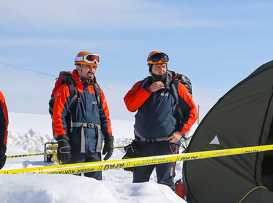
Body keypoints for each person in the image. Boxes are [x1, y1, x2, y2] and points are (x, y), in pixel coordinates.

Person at [124, 51, 197, 189]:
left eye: (163, 66)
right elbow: (130, 105)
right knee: (138, 186)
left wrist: (180, 133)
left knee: (165, 185)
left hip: (166, 145)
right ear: (150, 67)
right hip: (142, 145)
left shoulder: (177, 87)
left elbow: (192, 112)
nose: (161, 69)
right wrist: (148, 90)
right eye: (157, 66)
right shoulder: (141, 85)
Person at [51, 51, 114, 180]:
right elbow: (58, 117)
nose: (92, 70)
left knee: (96, 188)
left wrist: (108, 138)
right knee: (71, 187)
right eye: (88, 66)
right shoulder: (67, 89)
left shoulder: (97, 90)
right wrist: (62, 141)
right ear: (78, 66)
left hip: (94, 148)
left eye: (94, 67)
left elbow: (105, 117)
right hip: (73, 148)